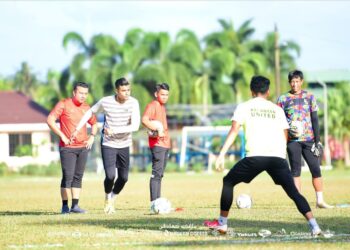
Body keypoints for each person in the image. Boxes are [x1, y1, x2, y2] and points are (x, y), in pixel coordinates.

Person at [204, 76, 322, 236]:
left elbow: (234, 131)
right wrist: (281, 157)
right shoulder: (277, 110)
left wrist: (221, 154)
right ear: (268, 91)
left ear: (251, 91)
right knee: (294, 193)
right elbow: (285, 135)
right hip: (278, 158)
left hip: (255, 157)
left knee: (228, 181)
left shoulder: (244, 107)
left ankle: (222, 224)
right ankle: (315, 226)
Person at [72, 77, 140, 214]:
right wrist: (77, 128)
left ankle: (112, 199)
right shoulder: (106, 101)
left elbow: (135, 126)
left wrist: (115, 130)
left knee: (124, 178)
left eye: (128, 90)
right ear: (117, 90)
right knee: (110, 176)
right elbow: (90, 112)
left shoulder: (133, 103)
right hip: (108, 143)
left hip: (124, 144)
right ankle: (107, 198)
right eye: (123, 90)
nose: (127, 93)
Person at [277, 70, 333, 209]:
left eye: (297, 81)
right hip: (292, 141)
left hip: (309, 140)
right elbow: (279, 121)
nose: (295, 84)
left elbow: (315, 119)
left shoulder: (310, 97)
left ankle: (320, 200)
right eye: (292, 82)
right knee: (295, 171)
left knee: (316, 169)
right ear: (289, 82)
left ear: (301, 81)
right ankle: (299, 201)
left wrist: (317, 141)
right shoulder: (283, 99)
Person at [47, 81, 98, 214]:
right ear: (74, 92)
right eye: (81, 93)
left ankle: (75, 206)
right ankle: (65, 206)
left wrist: (92, 136)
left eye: (86, 93)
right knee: (67, 176)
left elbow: (94, 124)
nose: (83, 96)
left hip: (83, 147)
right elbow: (50, 120)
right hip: (67, 148)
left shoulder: (87, 108)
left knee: (78, 177)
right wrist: (62, 135)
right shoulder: (63, 104)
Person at [141, 83, 171, 205]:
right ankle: (154, 203)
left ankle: (157, 201)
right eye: (162, 94)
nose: (164, 97)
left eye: (167, 95)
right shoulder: (153, 105)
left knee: (160, 175)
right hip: (157, 144)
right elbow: (144, 120)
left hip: (165, 144)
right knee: (156, 174)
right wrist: (156, 129)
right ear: (156, 94)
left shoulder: (162, 107)